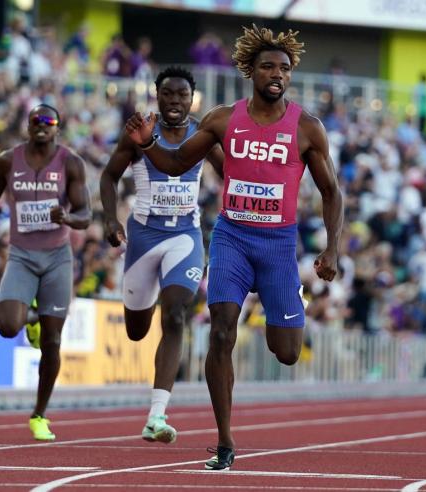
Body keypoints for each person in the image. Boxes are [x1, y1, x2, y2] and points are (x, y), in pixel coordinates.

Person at [124, 24, 343, 470]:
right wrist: (147, 144)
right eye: (267, 66)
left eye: (283, 67)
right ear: (251, 72)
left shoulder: (307, 128)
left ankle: (282, 308)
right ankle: (225, 441)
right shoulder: (224, 119)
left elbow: (332, 192)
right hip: (232, 238)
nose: (276, 74)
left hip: (279, 245)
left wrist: (332, 248)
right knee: (222, 329)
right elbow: (175, 162)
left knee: (286, 352)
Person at [100, 66, 223, 444]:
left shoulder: (203, 134)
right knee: (137, 331)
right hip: (143, 239)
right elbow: (108, 176)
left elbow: (232, 174)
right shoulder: (140, 131)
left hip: (184, 237)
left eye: (181, 95)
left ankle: (156, 415)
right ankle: (148, 296)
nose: (174, 101)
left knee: (176, 315)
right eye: (167, 94)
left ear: (192, 99)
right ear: (157, 95)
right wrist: (110, 218)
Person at [0, 104, 91, 441]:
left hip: (57, 258)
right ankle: (32, 318)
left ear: (58, 128)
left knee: (52, 342)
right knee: (8, 326)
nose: (42, 126)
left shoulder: (70, 162)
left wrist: (67, 218)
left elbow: (85, 213)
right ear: (27, 126)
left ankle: (39, 414)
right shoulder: (8, 161)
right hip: (22, 255)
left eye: (49, 121)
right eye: (36, 121)